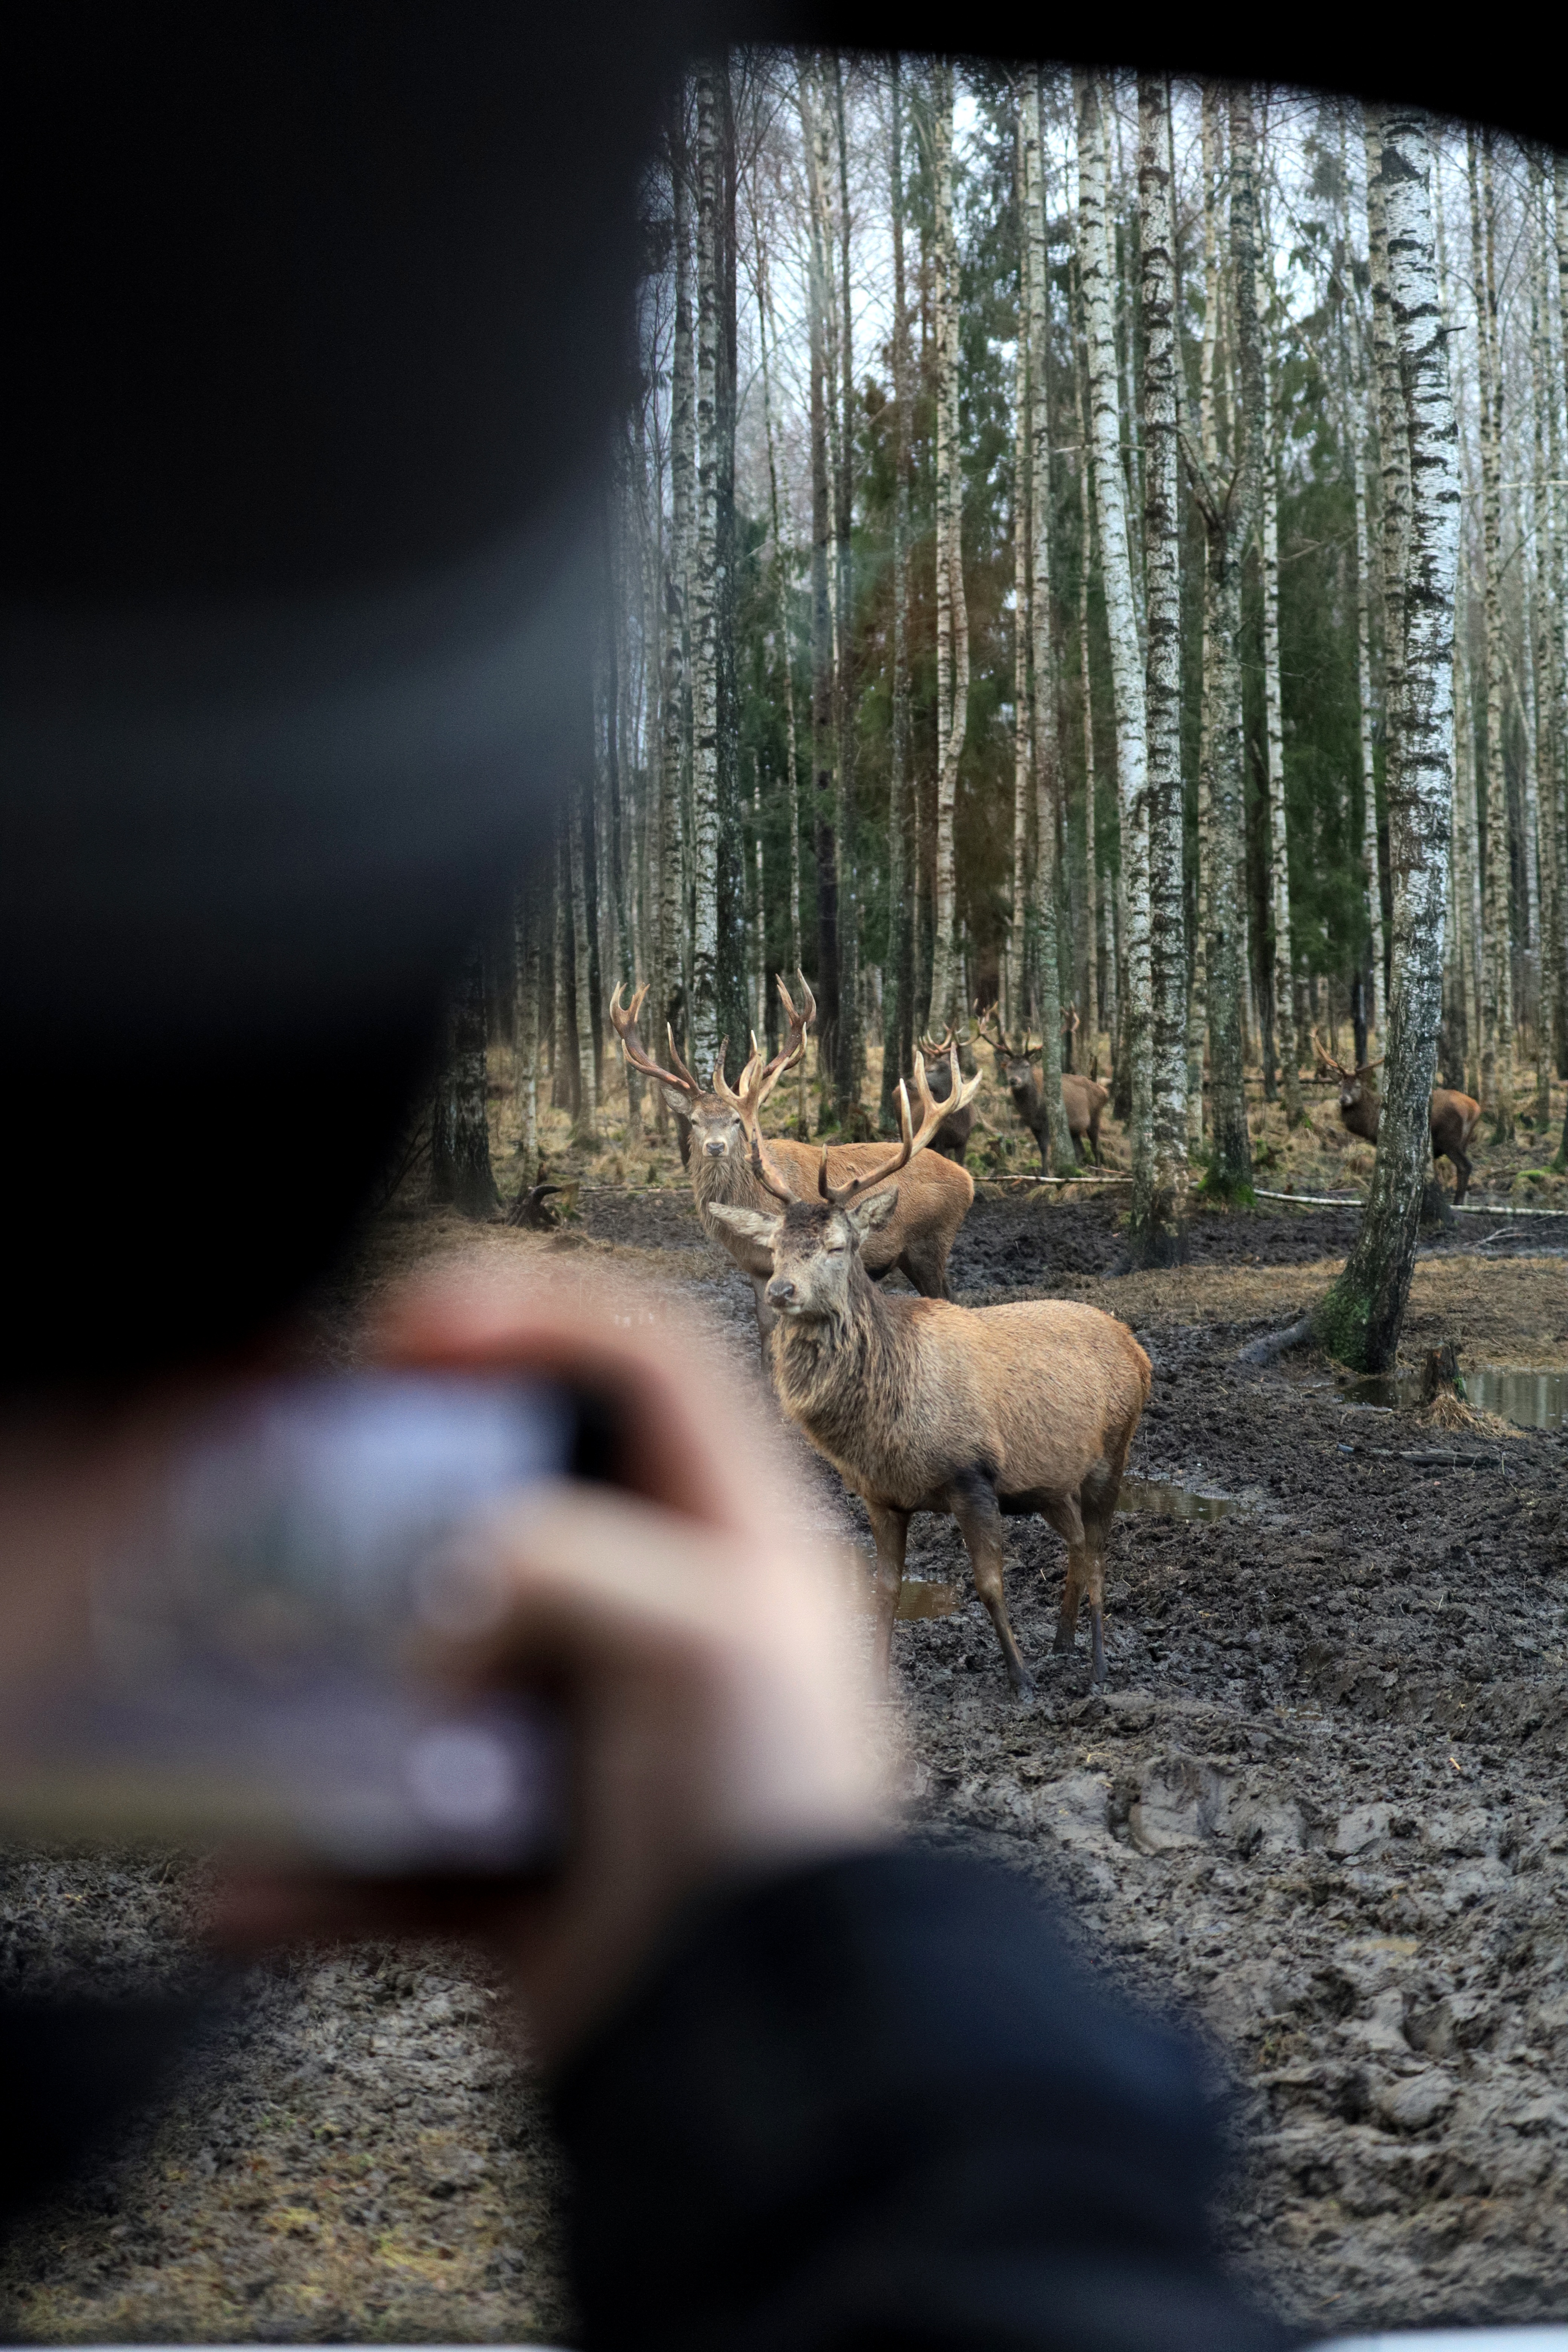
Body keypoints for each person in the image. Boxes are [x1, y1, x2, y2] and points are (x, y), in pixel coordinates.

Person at [0, 9, 1320, 2344]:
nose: (784, 1248)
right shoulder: (749, 1303)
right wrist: (824, 2006)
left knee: (985, 1444)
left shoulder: (916, 1252)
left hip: (981, 1363)